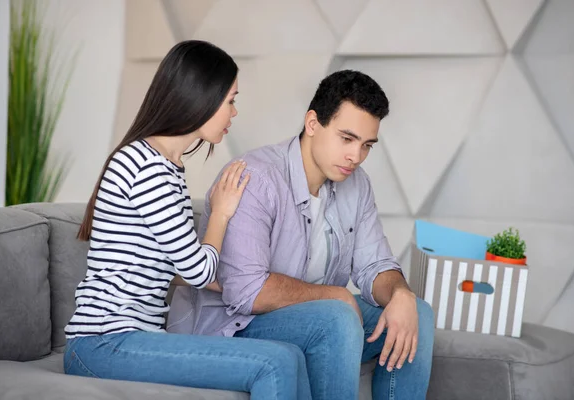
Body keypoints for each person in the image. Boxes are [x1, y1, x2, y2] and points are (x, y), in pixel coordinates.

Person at [64, 40, 311, 400]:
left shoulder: (168, 167)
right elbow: (197, 271)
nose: (234, 112)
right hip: (103, 344)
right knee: (275, 363)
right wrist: (222, 213)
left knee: (289, 355)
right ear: (201, 98)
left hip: (128, 339)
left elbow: (177, 268)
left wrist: (250, 286)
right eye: (230, 101)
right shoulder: (147, 167)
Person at [168, 69, 435, 399]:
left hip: (322, 320)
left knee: (416, 313)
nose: (356, 156)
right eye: (346, 139)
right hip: (236, 328)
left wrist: (401, 294)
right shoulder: (256, 177)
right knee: (336, 315)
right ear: (312, 123)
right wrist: (335, 296)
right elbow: (246, 292)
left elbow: (374, 265)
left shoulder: (357, 184)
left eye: (367, 145)